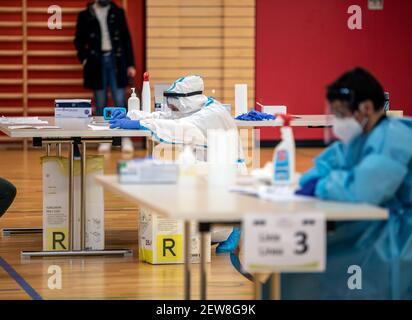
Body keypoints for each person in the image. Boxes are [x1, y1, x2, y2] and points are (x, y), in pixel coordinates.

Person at [283, 67, 412, 299]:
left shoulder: (395, 137)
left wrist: (322, 186)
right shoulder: (360, 140)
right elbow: (322, 169)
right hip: (379, 228)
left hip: (402, 237)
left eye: (341, 114)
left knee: (313, 269)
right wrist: (321, 181)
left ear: (366, 108)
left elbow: (363, 189)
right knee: (299, 266)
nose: (338, 122)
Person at [109, 75, 242, 253]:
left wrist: (140, 124)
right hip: (205, 165)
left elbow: (180, 126)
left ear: (186, 100)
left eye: (174, 104)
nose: (172, 108)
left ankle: (234, 228)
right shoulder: (195, 106)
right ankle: (213, 233)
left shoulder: (211, 113)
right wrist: (131, 114)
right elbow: (165, 116)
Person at [74, 0, 136, 153]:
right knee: (100, 101)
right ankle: (105, 137)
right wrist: (85, 59)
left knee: (120, 99)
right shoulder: (86, 14)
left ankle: (125, 137)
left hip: (117, 60)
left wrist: (130, 64)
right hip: (97, 62)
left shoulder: (118, 12)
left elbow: (126, 39)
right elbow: (78, 40)